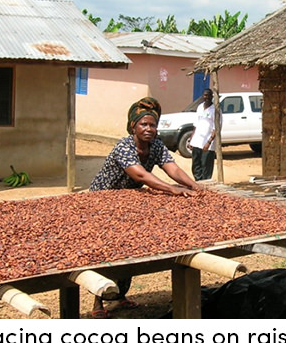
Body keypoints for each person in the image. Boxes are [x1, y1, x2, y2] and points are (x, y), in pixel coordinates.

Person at [87, 96, 202, 318]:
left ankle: (120, 297)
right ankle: (98, 302)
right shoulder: (124, 146)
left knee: (127, 246)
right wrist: (171, 189)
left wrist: (193, 186)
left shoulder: (156, 145)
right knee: (106, 250)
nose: (149, 129)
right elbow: (140, 174)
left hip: (129, 202)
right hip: (103, 201)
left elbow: (173, 169)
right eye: (144, 124)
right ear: (133, 126)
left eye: (153, 125)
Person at [190, 89, 218, 181]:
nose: (206, 97)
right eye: (205, 95)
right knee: (195, 165)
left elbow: (216, 128)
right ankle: (198, 182)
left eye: (209, 95)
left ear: (212, 97)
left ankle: (206, 185)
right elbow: (196, 124)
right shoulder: (200, 107)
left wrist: (209, 142)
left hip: (207, 144)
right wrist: (191, 139)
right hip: (197, 141)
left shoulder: (215, 110)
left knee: (206, 166)